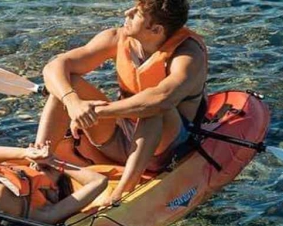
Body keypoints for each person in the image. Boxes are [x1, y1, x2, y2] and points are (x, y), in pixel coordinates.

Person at [33, 0, 209, 210]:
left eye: (136, 13)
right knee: (65, 88)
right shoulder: (116, 38)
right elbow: (54, 66)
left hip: (165, 147)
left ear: (156, 29)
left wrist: (95, 112)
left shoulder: (188, 55)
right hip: (118, 138)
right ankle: (39, 165)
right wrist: (72, 102)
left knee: (153, 110)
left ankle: (123, 192)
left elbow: (162, 99)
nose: (127, 12)